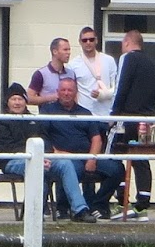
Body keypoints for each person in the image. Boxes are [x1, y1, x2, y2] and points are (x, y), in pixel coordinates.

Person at [40, 78, 125, 221]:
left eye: (70, 90)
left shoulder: (84, 112)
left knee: (117, 169)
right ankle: (65, 208)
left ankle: (97, 204)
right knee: (67, 167)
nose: (67, 93)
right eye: (63, 90)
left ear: (76, 93)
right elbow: (43, 137)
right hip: (63, 158)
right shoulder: (48, 111)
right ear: (57, 92)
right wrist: (57, 153)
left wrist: (92, 158)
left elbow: (96, 138)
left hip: (87, 156)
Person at [110, 29, 155, 214]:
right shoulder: (153, 65)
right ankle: (143, 202)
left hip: (129, 117)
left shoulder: (128, 58)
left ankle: (121, 198)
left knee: (115, 154)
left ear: (126, 42)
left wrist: (114, 114)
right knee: (141, 158)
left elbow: (121, 87)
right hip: (147, 119)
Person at [0, 83, 41, 178]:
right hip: (10, 162)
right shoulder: (0, 123)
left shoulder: (35, 121)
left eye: (20, 99)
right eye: (13, 99)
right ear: (8, 102)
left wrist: (43, 156)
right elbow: (8, 148)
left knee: (65, 164)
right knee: (38, 167)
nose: (17, 103)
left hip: (39, 159)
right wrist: (35, 156)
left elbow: (44, 139)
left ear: (25, 101)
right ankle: (40, 193)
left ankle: (73, 194)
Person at [70, 26, 118, 118]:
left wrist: (103, 95)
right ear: (80, 42)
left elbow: (116, 88)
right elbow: (73, 91)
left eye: (91, 39)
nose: (88, 42)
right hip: (84, 115)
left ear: (96, 40)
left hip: (105, 114)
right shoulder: (73, 65)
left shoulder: (109, 60)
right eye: (85, 40)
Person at [27, 37, 75, 107]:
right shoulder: (41, 74)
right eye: (65, 50)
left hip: (67, 116)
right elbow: (29, 98)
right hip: (48, 115)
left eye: (69, 50)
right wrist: (49, 98)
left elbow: (76, 97)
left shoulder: (71, 74)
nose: (68, 53)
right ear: (54, 51)